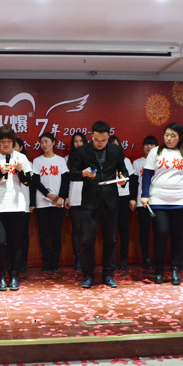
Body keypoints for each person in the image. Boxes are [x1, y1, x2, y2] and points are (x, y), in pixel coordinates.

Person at [69, 120, 130, 289]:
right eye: (96, 140)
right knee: (88, 240)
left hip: (111, 201)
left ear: (108, 137)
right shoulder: (83, 151)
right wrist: (83, 173)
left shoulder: (116, 150)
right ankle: (88, 274)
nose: (100, 143)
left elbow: (123, 171)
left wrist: (123, 179)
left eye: (103, 140)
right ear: (91, 136)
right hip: (90, 202)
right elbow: (72, 174)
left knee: (110, 240)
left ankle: (108, 274)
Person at [141, 123, 183, 285]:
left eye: (173, 135)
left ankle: (175, 269)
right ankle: (158, 270)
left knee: (178, 235)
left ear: (180, 137)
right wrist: (145, 194)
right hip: (159, 199)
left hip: (180, 200)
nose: (169, 138)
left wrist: (179, 185)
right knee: (161, 232)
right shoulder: (156, 151)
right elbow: (147, 174)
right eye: (167, 134)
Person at [0, 126, 32, 291]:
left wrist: (20, 170)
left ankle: (14, 276)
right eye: (2, 142)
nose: (6, 144)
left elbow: (28, 182)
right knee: (1, 243)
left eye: (9, 141)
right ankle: (0, 277)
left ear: (13, 141)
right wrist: (0, 172)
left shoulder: (21, 157)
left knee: (16, 243)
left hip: (17, 205)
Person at [32, 132, 69, 272]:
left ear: (54, 142)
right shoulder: (37, 161)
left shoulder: (60, 160)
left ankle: (55, 262)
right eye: (41, 142)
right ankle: (46, 263)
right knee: (44, 234)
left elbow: (65, 180)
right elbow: (36, 181)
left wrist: (61, 197)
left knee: (56, 233)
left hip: (57, 203)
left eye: (46, 141)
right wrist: (48, 194)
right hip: (42, 202)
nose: (44, 145)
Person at [130, 136, 158, 270]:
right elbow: (133, 183)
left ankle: (158, 259)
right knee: (144, 231)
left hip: (159, 201)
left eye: (152, 145)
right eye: (147, 144)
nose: (149, 147)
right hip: (143, 202)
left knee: (160, 232)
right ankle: (146, 258)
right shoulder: (137, 163)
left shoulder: (161, 162)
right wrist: (133, 199)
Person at [108, 135, 136, 270]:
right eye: (111, 144)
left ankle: (123, 258)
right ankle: (111, 260)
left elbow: (133, 180)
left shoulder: (126, 161)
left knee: (123, 228)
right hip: (108, 198)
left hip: (124, 198)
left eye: (116, 144)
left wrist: (132, 198)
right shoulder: (104, 161)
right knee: (110, 231)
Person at [64, 132, 88, 271]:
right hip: (74, 194)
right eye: (75, 141)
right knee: (77, 229)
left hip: (88, 194)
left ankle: (86, 257)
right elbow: (66, 179)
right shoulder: (68, 159)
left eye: (80, 141)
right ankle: (77, 257)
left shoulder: (91, 156)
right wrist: (66, 196)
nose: (78, 143)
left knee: (87, 229)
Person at [14, 137, 33, 272]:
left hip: (24, 203)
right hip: (9, 204)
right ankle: (12, 263)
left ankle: (23, 262)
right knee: (12, 236)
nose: (12, 148)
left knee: (23, 234)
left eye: (15, 146)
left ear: (21, 148)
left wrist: (32, 202)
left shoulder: (27, 163)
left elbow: (30, 184)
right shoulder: (4, 163)